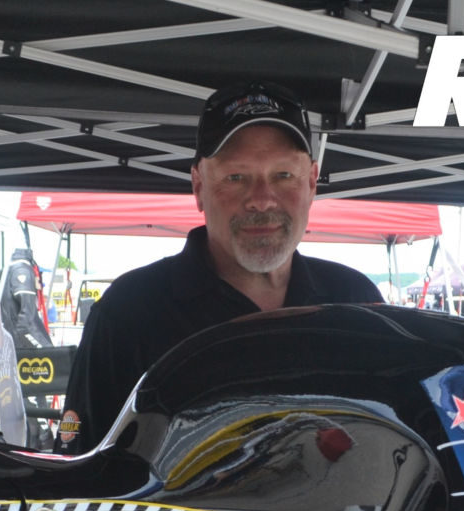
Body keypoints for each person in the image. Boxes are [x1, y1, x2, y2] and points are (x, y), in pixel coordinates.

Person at [57, 81, 382, 451]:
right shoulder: (129, 313)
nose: (262, 200)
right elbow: (78, 480)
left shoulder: (357, 302)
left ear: (311, 182)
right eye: (236, 177)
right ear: (198, 185)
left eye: (283, 176)